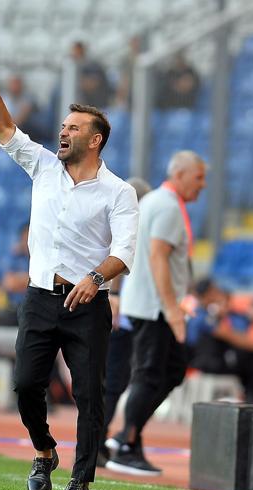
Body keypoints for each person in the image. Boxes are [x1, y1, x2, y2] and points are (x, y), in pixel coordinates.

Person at [0, 72, 139, 490]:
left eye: (73, 128)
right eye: (63, 127)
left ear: (95, 140)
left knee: (88, 394)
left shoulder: (118, 192)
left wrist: (96, 277)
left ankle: (80, 479)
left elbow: (125, 251)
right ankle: (44, 450)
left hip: (88, 304)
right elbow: (4, 130)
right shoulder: (44, 166)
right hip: (41, 297)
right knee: (26, 384)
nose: (63, 132)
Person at [105, 151, 206, 477]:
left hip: (149, 304)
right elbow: (158, 257)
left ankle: (126, 437)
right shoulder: (166, 206)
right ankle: (126, 442)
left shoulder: (155, 203)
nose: (202, 185)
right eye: (198, 177)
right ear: (179, 174)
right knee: (151, 374)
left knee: (170, 371)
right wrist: (172, 310)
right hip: (155, 308)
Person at [98, 176, 151, 468]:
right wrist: (115, 294)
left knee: (112, 380)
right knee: (113, 381)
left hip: (121, 311)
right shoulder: (128, 223)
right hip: (123, 313)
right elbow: (117, 256)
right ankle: (96, 441)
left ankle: (99, 439)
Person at [185, 279, 253, 404]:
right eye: (215, 291)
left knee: (250, 361)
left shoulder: (198, 312)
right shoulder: (204, 316)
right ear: (208, 293)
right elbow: (230, 336)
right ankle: (251, 403)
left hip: (199, 362)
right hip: (206, 364)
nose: (218, 294)